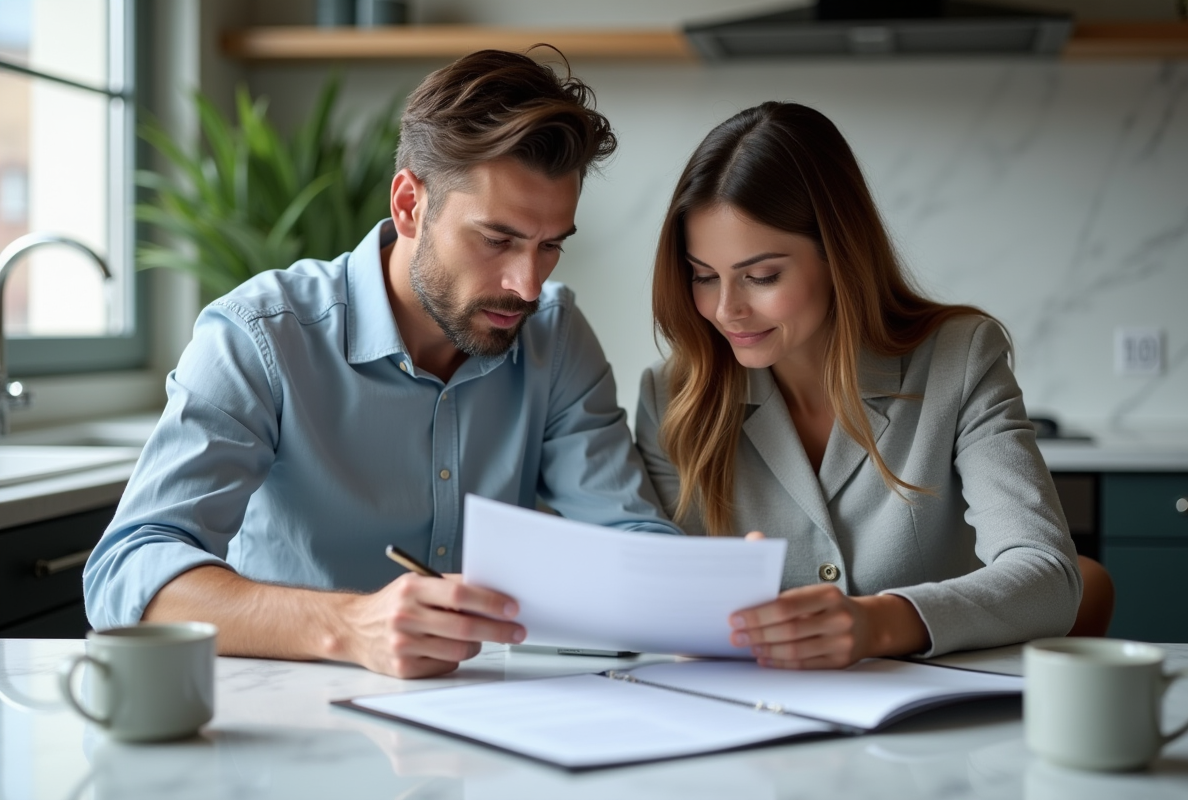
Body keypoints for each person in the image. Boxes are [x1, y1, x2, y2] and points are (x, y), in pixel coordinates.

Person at [84, 49, 678, 679]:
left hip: (489, 720)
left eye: (550, 245)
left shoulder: (553, 336)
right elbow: (127, 573)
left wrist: (712, 598)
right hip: (290, 728)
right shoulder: (260, 336)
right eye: (496, 240)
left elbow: (627, 536)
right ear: (409, 205)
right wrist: (347, 625)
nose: (527, 285)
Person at [636, 101, 1083, 670]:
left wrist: (880, 621)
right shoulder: (669, 396)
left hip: (928, 734)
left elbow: (1049, 576)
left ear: (839, 256)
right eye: (703, 276)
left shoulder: (960, 358)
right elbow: (657, 600)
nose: (726, 310)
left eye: (762, 276)